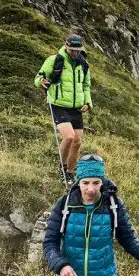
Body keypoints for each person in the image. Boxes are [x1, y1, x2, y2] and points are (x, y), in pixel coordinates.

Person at [35, 33, 93, 184]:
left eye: (77, 50)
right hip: (58, 105)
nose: (75, 53)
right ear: (66, 47)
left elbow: (86, 85)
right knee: (69, 137)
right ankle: (61, 169)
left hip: (76, 108)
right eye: (72, 49)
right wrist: (41, 81)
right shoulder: (54, 60)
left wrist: (87, 101)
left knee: (77, 141)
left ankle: (70, 173)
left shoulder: (83, 64)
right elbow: (38, 77)